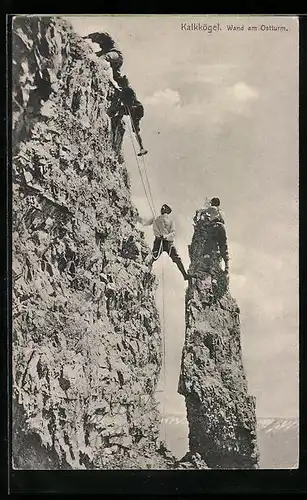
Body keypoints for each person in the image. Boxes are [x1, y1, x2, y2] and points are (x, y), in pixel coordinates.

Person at [137, 204, 189, 280]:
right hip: (158, 241)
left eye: (165, 208)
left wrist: (165, 236)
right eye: (162, 207)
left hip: (168, 243)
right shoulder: (155, 219)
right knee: (152, 257)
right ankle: (147, 271)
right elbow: (145, 222)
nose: (162, 208)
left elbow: (173, 233)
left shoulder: (171, 221)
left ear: (167, 211)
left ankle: (185, 275)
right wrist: (136, 216)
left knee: (177, 258)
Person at [119, 76, 148, 156]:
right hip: (135, 110)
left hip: (136, 110)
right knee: (135, 131)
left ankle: (142, 147)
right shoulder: (128, 90)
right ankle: (141, 147)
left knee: (135, 130)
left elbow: (130, 99)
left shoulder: (128, 90)